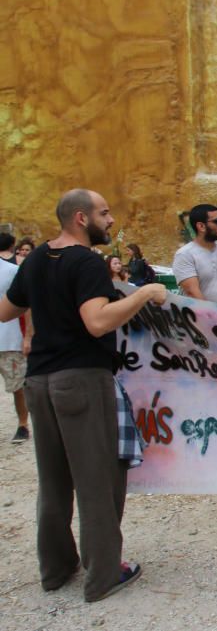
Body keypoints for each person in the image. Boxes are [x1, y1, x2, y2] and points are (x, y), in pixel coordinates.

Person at [0, 188, 168, 602]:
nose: (110, 220)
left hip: (39, 381)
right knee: (97, 480)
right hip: (81, 379)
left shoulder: (37, 257)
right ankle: (104, 575)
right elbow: (96, 323)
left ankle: (56, 569)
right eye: (104, 213)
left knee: (54, 480)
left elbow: (6, 310)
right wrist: (145, 293)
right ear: (80, 218)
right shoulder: (87, 262)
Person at [0, 258, 29, 442]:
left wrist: (28, 335)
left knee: (18, 386)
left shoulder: (12, 270)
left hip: (9, 338)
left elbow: (26, 303)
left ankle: (23, 424)